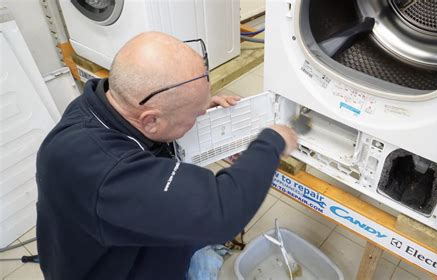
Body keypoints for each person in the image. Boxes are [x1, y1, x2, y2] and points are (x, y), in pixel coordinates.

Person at [36, 32, 297, 279]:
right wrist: (271, 142)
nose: (200, 116)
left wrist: (191, 106)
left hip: (127, 248)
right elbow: (222, 212)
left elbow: (150, 138)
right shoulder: (109, 174)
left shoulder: (100, 103)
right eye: (195, 116)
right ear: (151, 121)